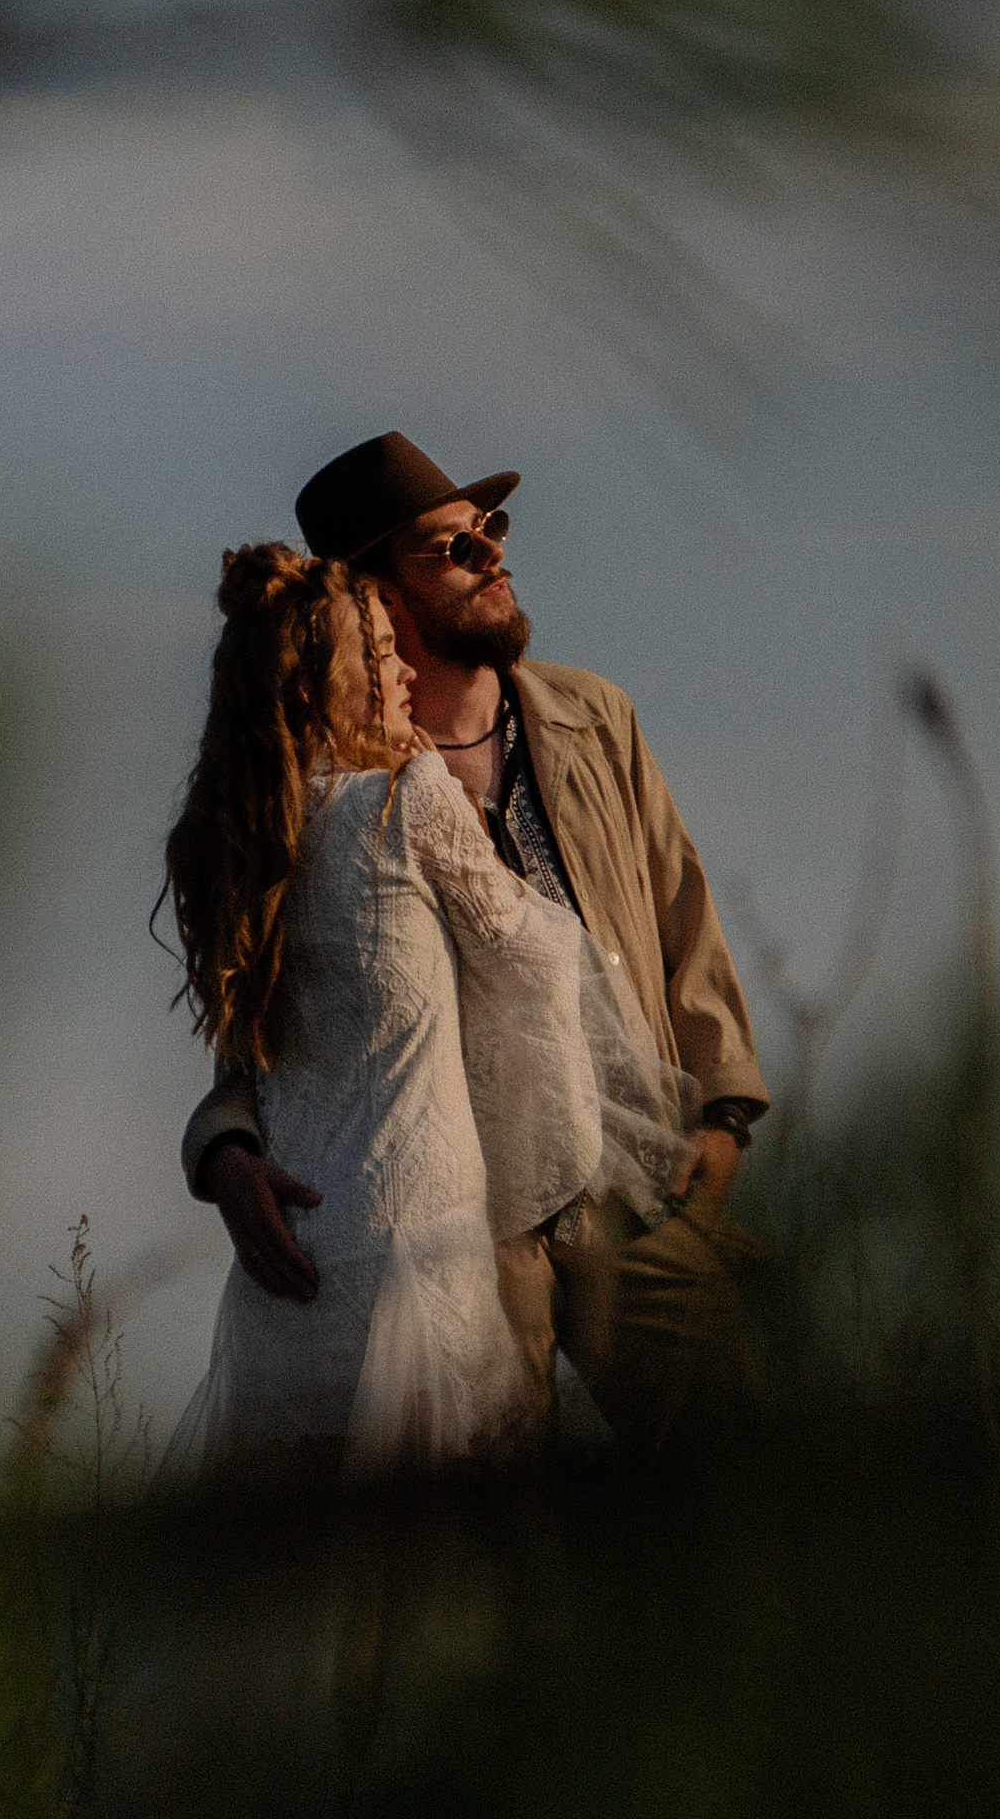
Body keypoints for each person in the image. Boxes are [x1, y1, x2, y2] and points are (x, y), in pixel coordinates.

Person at [184, 433, 770, 1454]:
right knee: (505, 1544)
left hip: (639, 1182)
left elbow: (687, 922)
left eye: (488, 530)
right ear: (377, 596)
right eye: (449, 547)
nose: (491, 554)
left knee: (739, 1469)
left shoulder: (594, 717)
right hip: (465, 1231)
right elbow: (268, 1011)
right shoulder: (319, 797)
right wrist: (225, 1147)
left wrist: (722, 1114)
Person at [158, 541, 613, 1477]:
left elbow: (250, 1053)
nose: (406, 670)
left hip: (291, 1279)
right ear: (337, 681)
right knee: (439, 1590)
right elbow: (538, 951)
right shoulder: (406, 797)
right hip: (417, 1255)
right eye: (382, 654)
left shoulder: (242, 849)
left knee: (313, 1586)